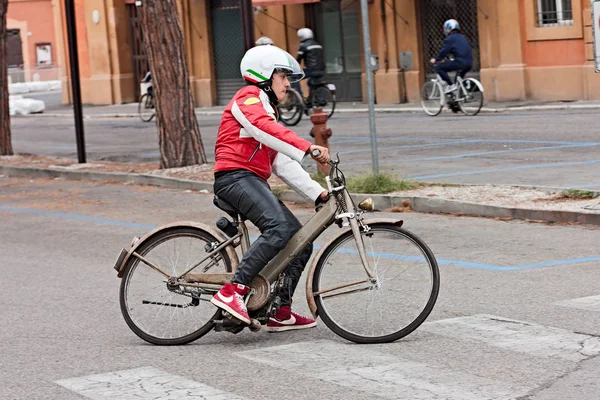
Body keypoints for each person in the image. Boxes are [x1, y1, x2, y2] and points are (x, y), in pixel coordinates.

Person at [210, 45, 331, 332]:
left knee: (301, 241)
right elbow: (264, 129)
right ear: (264, 73)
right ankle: (233, 291)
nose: (288, 84)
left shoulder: (267, 108)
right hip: (234, 176)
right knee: (277, 228)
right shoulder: (247, 99)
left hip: (252, 179)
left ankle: (280, 310)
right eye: (283, 76)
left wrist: (317, 193)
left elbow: (281, 162)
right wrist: (308, 146)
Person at [429, 19, 473, 93]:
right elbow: (460, 49)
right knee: (458, 80)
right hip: (469, 62)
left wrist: (436, 59)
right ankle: (456, 98)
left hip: (460, 62)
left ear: (448, 29)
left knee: (439, 68)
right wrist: (452, 58)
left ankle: (450, 85)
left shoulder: (450, 38)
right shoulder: (462, 37)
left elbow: (444, 51)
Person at [293, 28, 325, 99]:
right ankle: (319, 99)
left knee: (294, 77)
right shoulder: (318, 44)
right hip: (321, 71)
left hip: (311, 70)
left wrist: (293, 67)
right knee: (310, 82)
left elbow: (298, 59)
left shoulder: (303, 46)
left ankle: (299, 96)